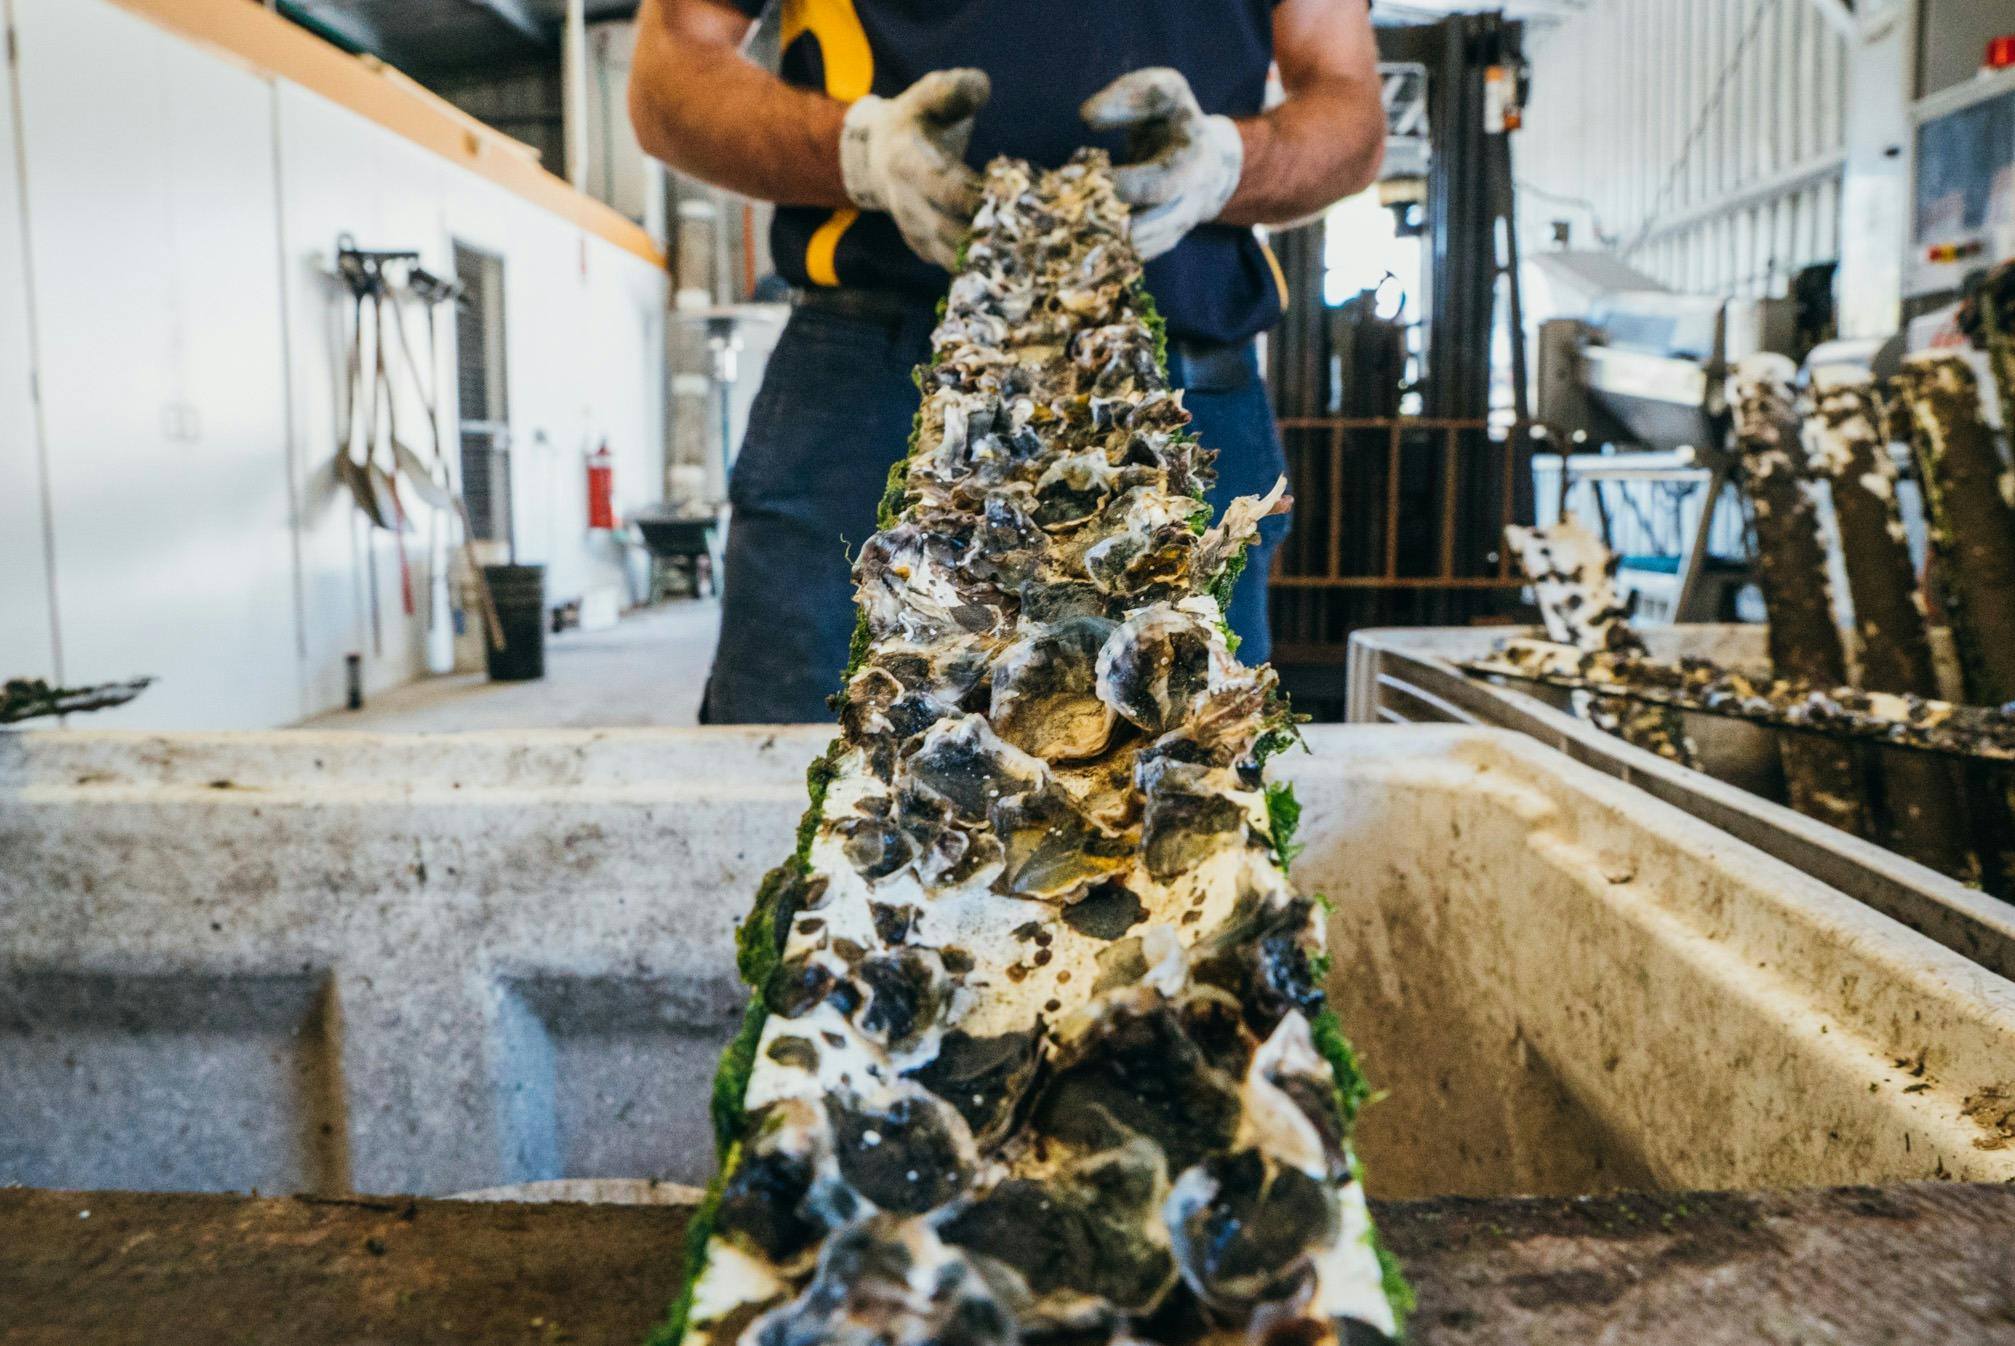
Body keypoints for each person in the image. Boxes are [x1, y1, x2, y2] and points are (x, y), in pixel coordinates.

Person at [631, 0, 1383, 723]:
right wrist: (862, 151)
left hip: (1174, 394)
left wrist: (1225, 163)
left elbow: (1346, 101)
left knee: (1184, 779)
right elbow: (669, 72)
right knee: (798, 762)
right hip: (874, 383)